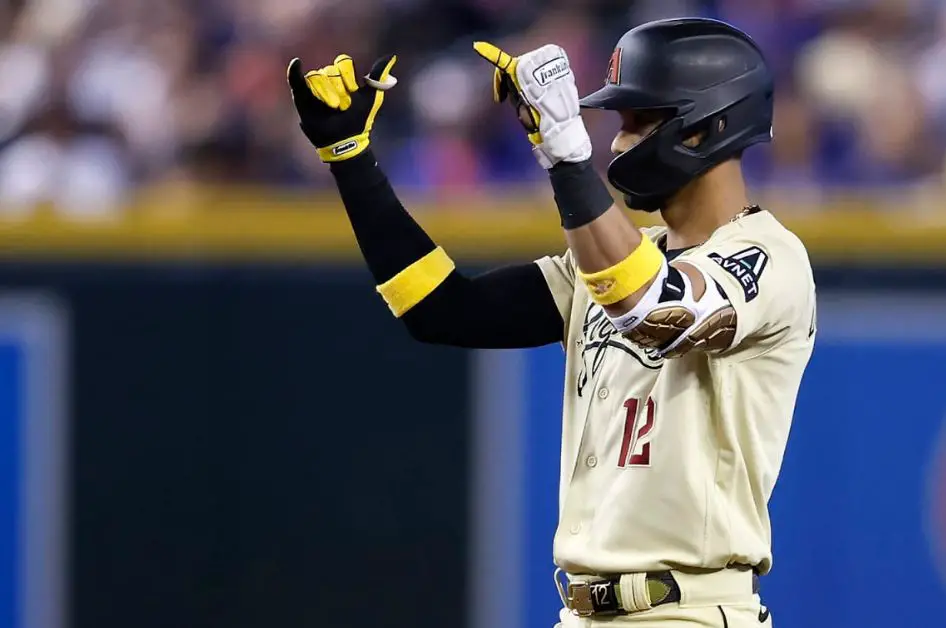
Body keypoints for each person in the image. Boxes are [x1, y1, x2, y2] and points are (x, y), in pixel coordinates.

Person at [286, 17, 816, 628]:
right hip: (583, 612)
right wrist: (350, 160)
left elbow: (658, 311)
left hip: (689, 610)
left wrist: (567, 159)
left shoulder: (771, 256)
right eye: (619, 122)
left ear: (709, 125)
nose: (620, 142)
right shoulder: (611, 260)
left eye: (641, 119)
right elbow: (443, 310)